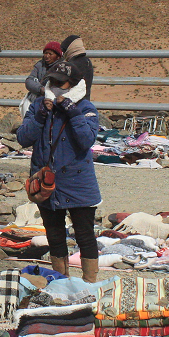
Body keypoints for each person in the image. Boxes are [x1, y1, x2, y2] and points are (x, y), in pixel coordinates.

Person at [16, 62, 103, 283]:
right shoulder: (38, 106)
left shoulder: (86, 108)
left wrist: (73, 114)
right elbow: (23, 138)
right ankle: (61, 282)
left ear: (72, 84)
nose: (54, 86)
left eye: (59, 82)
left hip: (78, 182)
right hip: (47, 183)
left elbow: (86, 141)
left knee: (84, 235)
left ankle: (90, 285)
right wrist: (40, 117)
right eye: (51, 81)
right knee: (54, 236)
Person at [23, 41, 64, 114]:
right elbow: (29, 81)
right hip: (36, 98)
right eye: (45, 53)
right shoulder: (40, 65)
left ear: (58, 56)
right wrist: (40, 89)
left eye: (50, 54)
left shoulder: (62, 68)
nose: (47, 56)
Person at [61, 35, 95, 101]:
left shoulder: (73, 65)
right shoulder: (86, 61)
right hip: (84, 102)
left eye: (64, 50)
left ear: (69, 49)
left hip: (72, 103)